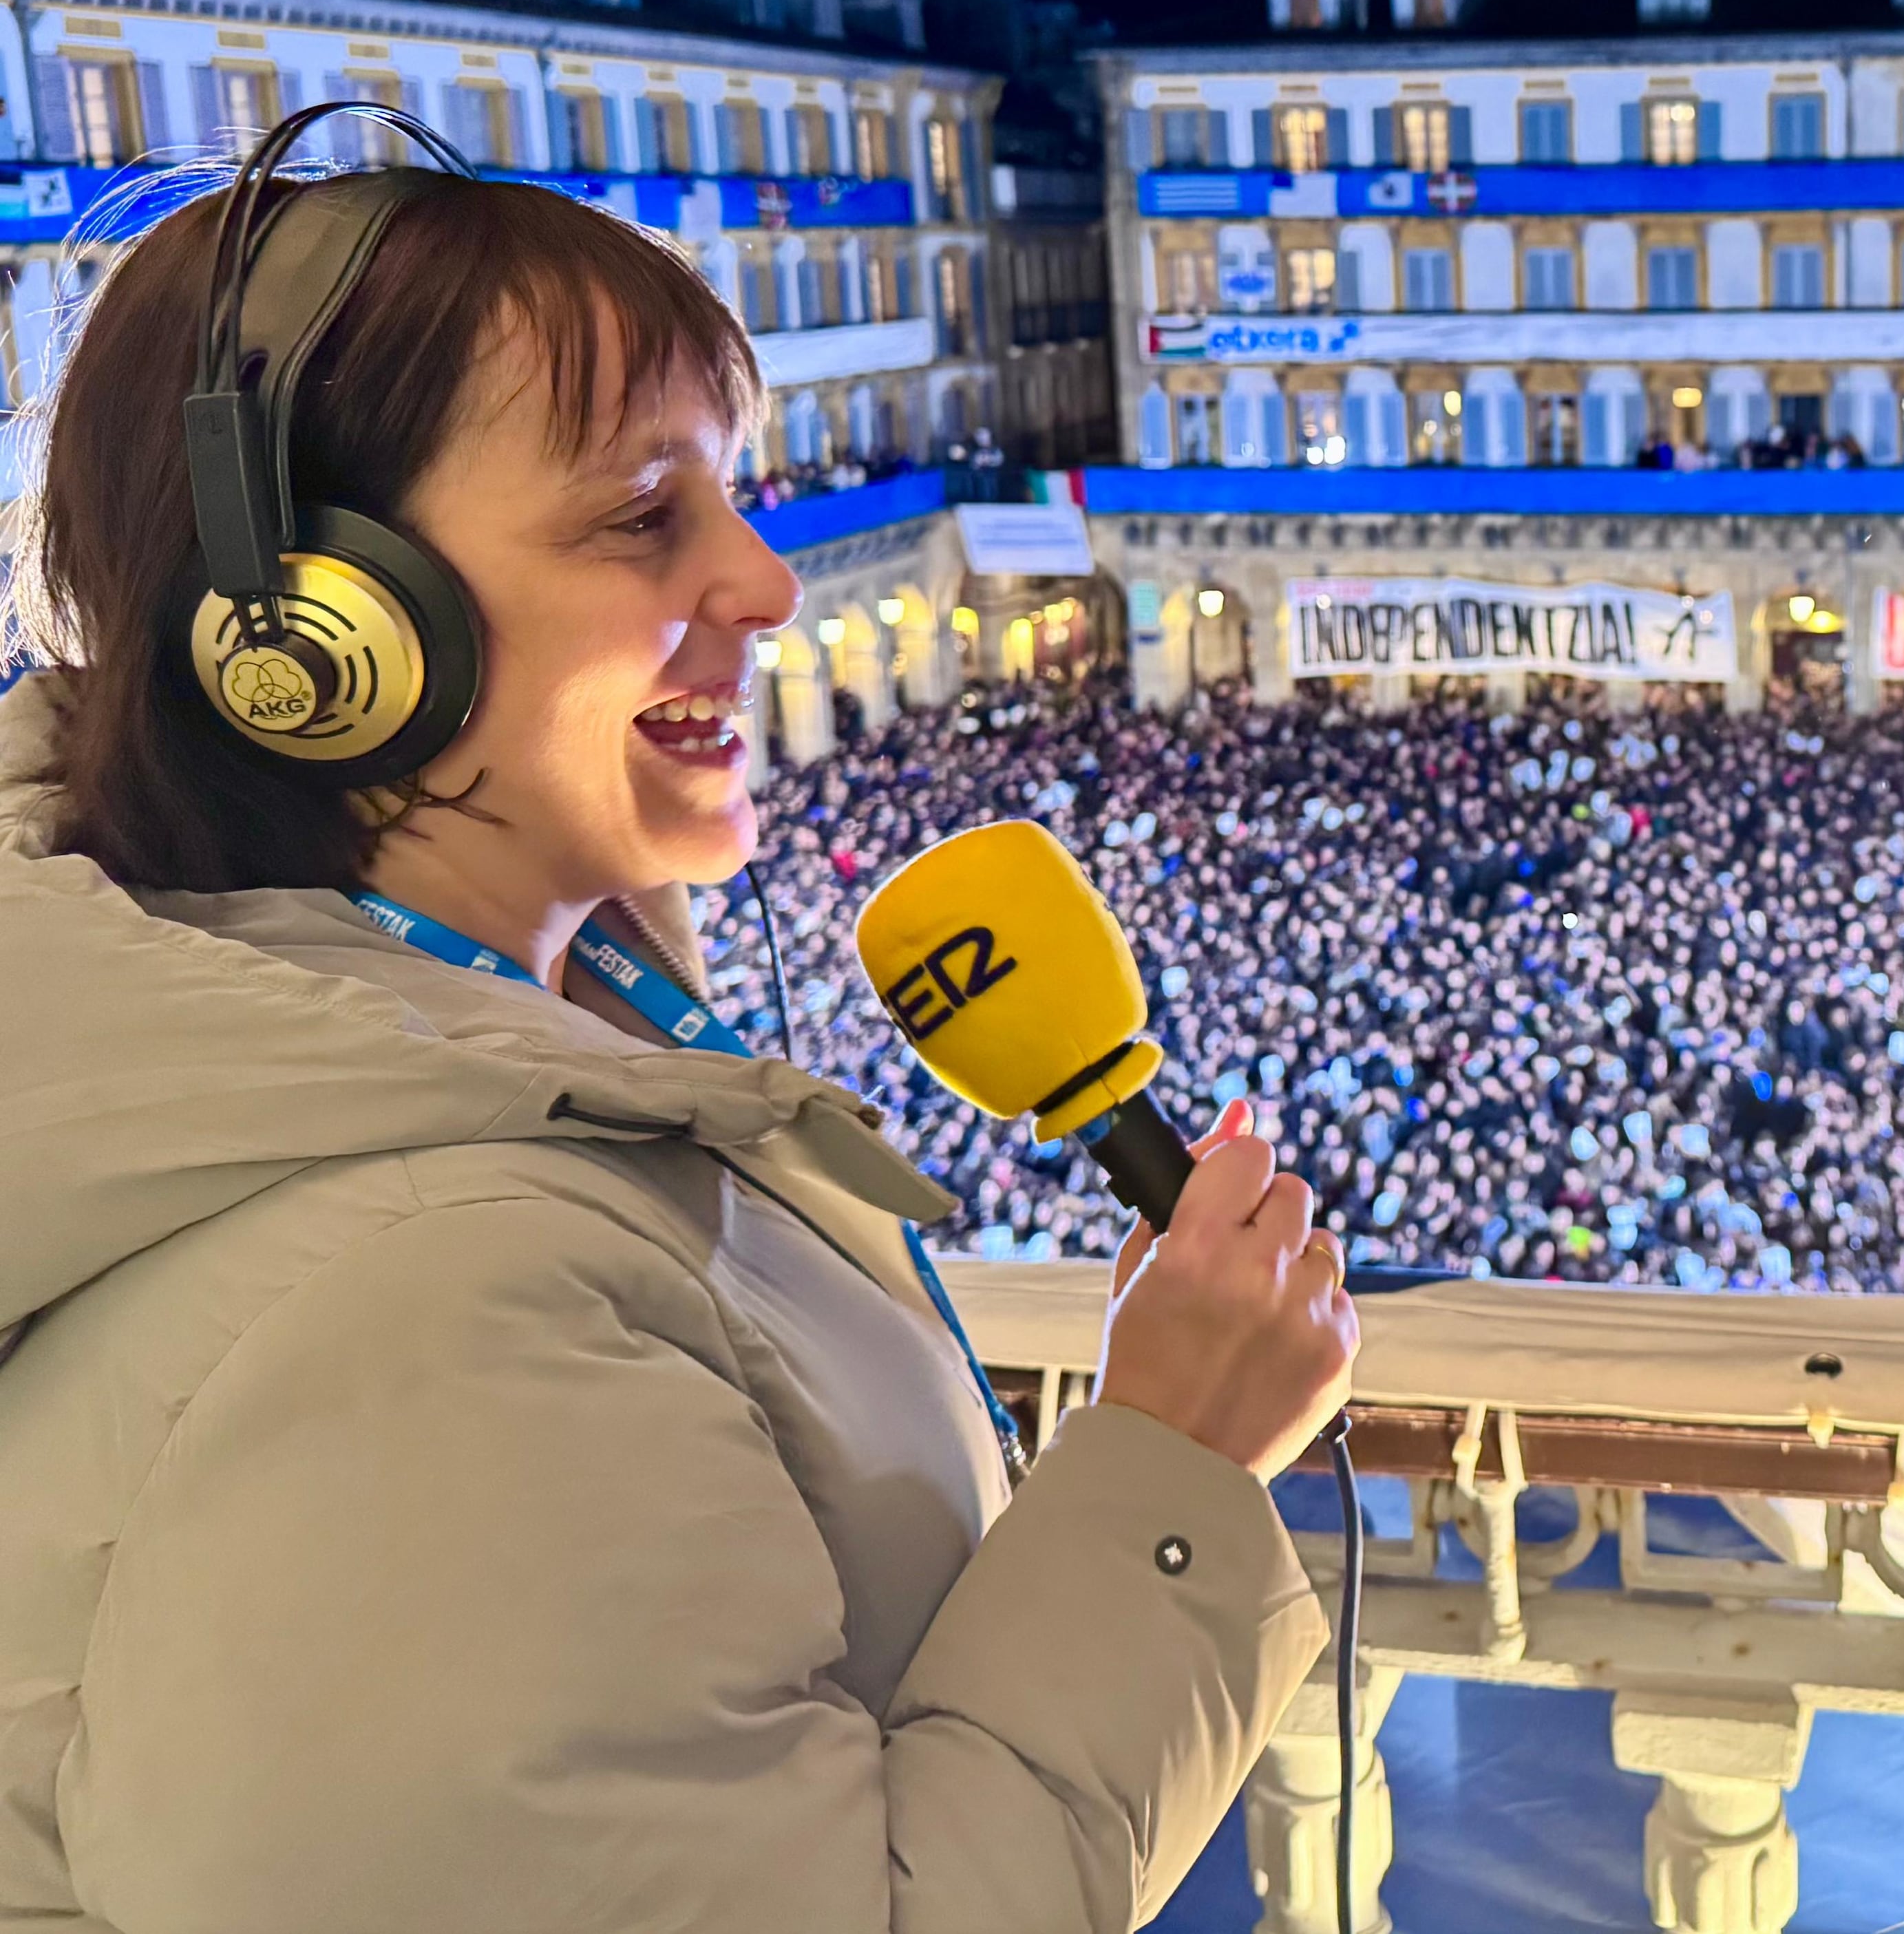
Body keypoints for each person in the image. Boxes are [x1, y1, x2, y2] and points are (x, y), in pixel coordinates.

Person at [0, 164, 1355, 1931]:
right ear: (315, 642)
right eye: (643, 516)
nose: (769, 582)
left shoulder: (474, 1073)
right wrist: (1172, 1467)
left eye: (741, 494)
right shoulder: (430, 1314)